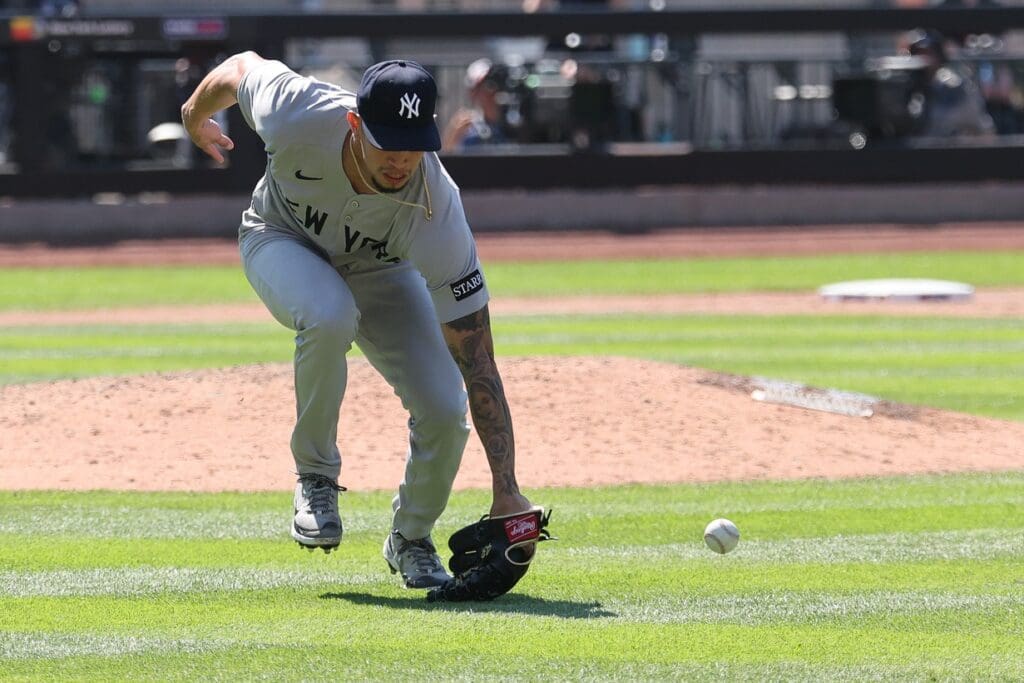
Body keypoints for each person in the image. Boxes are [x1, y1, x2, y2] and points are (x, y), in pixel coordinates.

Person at [180, 52, 534, 590]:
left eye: (414, 144)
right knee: (328, 314)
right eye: (387, 141)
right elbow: (240, 66)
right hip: (280, 237)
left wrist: (506, 488)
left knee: (444, 408)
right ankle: (316, 476)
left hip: (380, 270)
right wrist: (192, 113)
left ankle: (411, 537)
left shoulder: (439, 207)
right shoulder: (297, 111)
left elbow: (477, 357)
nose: (400, 159)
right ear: (354, 124)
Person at [902, 28, 996, 138]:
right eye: (918, 54)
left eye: (928, 53)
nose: (923, 59)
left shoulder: (954, 86)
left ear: (938, 55)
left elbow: (978, 125)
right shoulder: (910, 87)